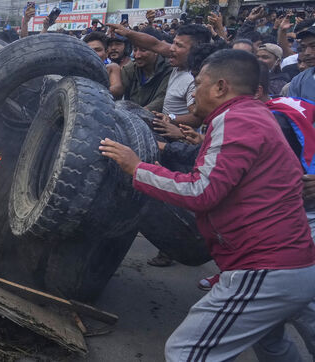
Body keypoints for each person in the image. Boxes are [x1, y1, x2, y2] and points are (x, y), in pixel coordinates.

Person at [100, 49, 315, 361]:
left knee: (186, 352)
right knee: (273, 347)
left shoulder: (235, 118)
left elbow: (201, 192)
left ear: (220, 87)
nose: (193, 94)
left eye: (198, 84)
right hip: (290, 263)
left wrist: (137, 168)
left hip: (266, 266)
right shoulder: (255, 116)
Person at [110, 23, 211, 128]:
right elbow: (154, 44)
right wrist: (128, 33)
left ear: (196, 50)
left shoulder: (192, 78)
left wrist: (170, 118)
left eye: (179, 45)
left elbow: (197, 118)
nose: (171, 48)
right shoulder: (179, 63)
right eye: (174, 43)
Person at [119, 27, 172, 112]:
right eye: (135, 50)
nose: (137, 55)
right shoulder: (129, 70)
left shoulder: (169, 69)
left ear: (156, 50)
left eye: (143, 50)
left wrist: (140, 114)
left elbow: (161, 99)